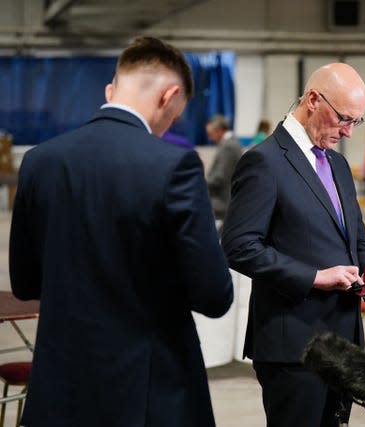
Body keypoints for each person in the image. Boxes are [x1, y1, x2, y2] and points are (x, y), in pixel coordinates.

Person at [9, 36, 234, 427]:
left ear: (110, 90)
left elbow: (26, 283)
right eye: (175, 117)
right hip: (146, 391)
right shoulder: (173, 165)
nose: (168, 128)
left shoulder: (39, 162)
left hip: (60, 389)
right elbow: (214, 295)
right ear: (170, 96)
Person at [221, 63, 365, 427]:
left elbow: (355, 236)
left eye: (356, 122)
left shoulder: (339, 164)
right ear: (313, 99)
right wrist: (314, 276)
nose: (347, 131)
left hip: (342, 340)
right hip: (293, 345)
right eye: (344, 118)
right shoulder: (264, 162)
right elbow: (238, 245)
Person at [205, 114, 244, 221]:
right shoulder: (230, 144)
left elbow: (219, 177)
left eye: (211, 134)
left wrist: (200, 183)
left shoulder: (229, 146)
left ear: (219, 130)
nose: (210, 138)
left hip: (222, 202)